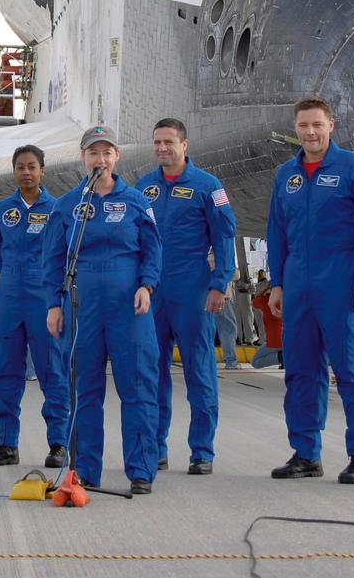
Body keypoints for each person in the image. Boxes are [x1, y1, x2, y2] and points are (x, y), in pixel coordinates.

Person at [267, 98, 354, 485]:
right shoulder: (287, 175)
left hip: (339, 282)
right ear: (295, 128)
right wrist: (278, 283)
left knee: (351, 368)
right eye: (303, 126)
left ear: (331, 125)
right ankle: (305, 454)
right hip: (298, 284)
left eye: (317, 125)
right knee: (301, 371)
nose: (310, 133)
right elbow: (276, 233)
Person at [45, 125, 162, 495]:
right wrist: (53, 304)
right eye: (93, 153)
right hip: (82, 307)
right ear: (83, 158)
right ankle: (85, 470)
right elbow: (51, 261)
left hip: (129, 307)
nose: (101, 159)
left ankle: (142, 469)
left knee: (138, 386)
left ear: (117, 157)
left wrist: (146, 284)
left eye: (107, 152)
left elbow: (153, 249)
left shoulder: (137, 202)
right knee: (84, 389)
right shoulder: (67, 206)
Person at [135, 117, 237, 474]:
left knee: (200, 371)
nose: (163, 149)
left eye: (169, 142)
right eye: (158, 142)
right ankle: (155, 447)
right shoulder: (143, 187)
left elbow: (224, 237)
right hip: (152, 293)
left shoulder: (208, 186)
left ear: (184, 145)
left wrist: (219, 283)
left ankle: (202, 451)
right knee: (152, 373)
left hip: (193, 290)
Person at [0, 145, 70, 469]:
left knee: (52, 368)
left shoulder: (58, 209)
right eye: (20, 167)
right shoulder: (2, 210)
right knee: (5, 368)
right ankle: (6, 444)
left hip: (45, 294)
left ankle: (59, 444)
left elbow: (68, 249)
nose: (26, 172)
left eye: (32, 166)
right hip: (8, 293)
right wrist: (11, 268)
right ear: (14, 171)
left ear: (43, 170)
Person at [251, 283, 283, 369]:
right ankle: (283, 357)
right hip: (288, 339)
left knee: (255, 362)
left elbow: (253, 302)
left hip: (274, 341)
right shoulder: (289, 299)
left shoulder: (266, 300)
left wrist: (264, 289)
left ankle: (282, 357)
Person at [215, 275, 241, 370]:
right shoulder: (223, 259)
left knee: (205, 331)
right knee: (228, 330)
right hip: (222, 297)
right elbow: (235, 274)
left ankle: (200, 363)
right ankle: (231, 361)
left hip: (204, 297)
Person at [234, 274, 256, 345]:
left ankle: (249, 339)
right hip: (236, 305)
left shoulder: (248, 280)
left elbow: (253, 290)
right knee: (237, 323)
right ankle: (239, 339)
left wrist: (246, 290)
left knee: (248, 321)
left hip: (246, 304)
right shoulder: (232, 281)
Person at [252, 269, 270, 346]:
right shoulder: (259, 284)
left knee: (262, 323)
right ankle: (262, 339)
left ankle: (263, 340)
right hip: (258, 305)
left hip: (262, 305)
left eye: (261, 274)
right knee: (260, 323)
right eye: (259, 274)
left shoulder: (266, 283)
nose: (260, 275)